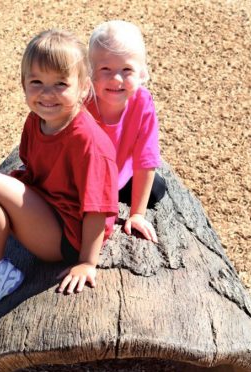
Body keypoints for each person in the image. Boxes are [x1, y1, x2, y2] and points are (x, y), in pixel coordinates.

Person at [0, 29, 119, 320]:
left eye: (60, 84)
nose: (46, 93)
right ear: (24, 84)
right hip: (48, 209)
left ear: (83, 87)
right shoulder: (36, 120)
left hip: (70, 235)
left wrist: (87, 263)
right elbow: (34, 169)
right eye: (37, 82)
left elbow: (98, 210)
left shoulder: (89, 143)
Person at [87, 20, 165, 243]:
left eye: (127, 70)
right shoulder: (83, 102)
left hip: (120, 174)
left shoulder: (142, 102)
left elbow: (145, 159)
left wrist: (137, 214)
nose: (117, 79)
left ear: (142, 73)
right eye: (105, 69)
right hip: (87, 178)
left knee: (157, 189)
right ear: (90, 71)